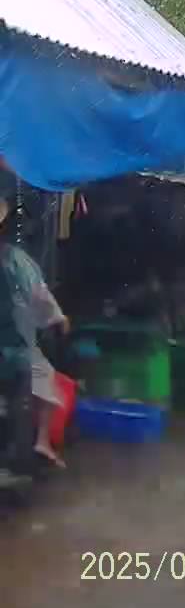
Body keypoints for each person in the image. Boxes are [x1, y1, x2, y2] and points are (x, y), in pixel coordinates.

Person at [0, 198, 70, 468]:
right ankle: (41, 443)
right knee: (44, 381)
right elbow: (41, 302)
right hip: (16, 353)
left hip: (12, 352)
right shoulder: (17, 262)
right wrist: (58, 320)